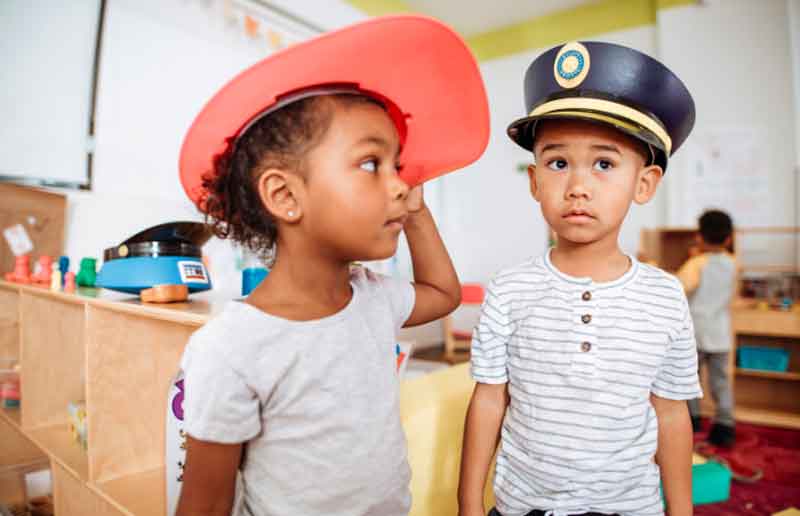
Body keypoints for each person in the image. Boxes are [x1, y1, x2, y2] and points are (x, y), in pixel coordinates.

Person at [174, 15, 489, 516]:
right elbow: (205, 505)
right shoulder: (230, 348)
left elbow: (443, 293)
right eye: (370, 163)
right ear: (284, 195)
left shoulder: (373, 298)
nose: (399, 183)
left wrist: (416, 211)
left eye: (398, 165)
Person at [458, 41, 702, 516]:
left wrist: (682, 511)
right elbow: (489, 400)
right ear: (534, 181)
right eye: (558, 163)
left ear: (644, 184)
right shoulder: (510, 289)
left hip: (629, 508)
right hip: (523, 508)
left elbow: (672, 414)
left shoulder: (665, 295)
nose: (578, 186)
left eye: (605, 164)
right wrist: (469, 504)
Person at [677, 210, 737, 447]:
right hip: (721, 334)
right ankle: (725, 425)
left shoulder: (696, 263)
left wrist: (689, 260)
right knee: (720, 381)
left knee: (690, 379)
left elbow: (680, 287)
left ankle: (692, 420)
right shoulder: (733, 263)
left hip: (696, 333)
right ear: (728, 239)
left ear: (700, 237)